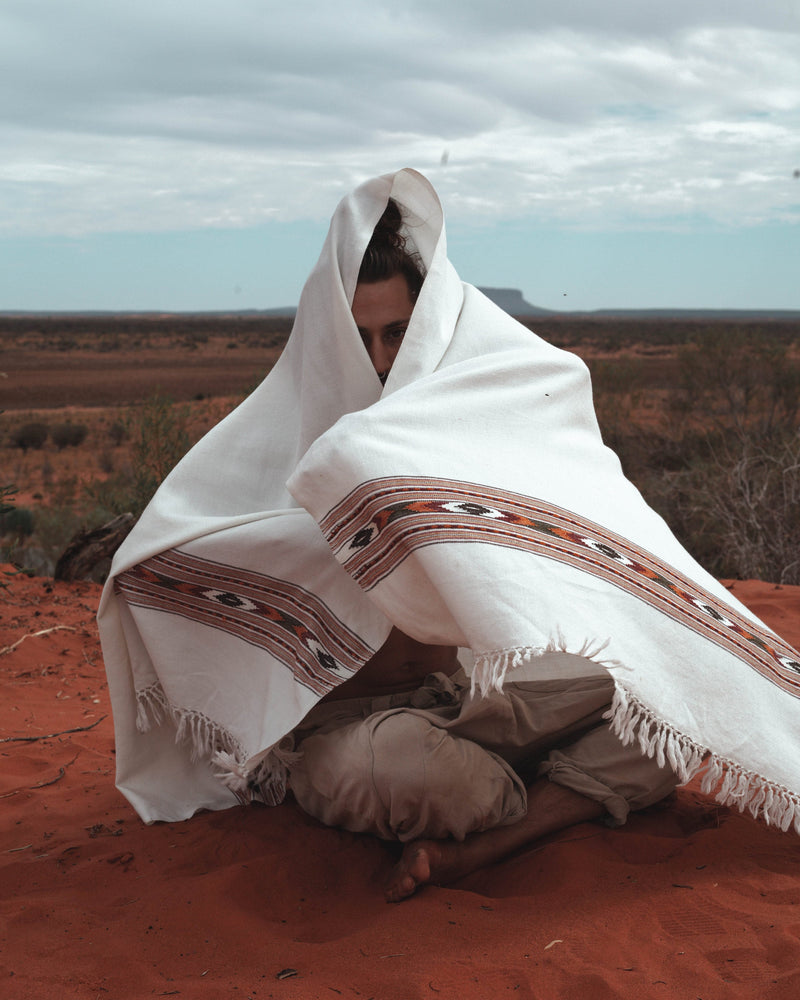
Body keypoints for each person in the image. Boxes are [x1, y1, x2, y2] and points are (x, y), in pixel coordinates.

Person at [98, 169, 800, 901]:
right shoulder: (278, 446)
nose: (378, 357)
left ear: (430, 322)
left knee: (672, 692)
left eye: (396, 331)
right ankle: (551, 797)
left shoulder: (477, 427)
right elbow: (152, 563)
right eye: (358, 334)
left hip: (474, 696)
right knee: (408, 775)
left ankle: (505, 831)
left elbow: (592, 540)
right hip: (352, 735)